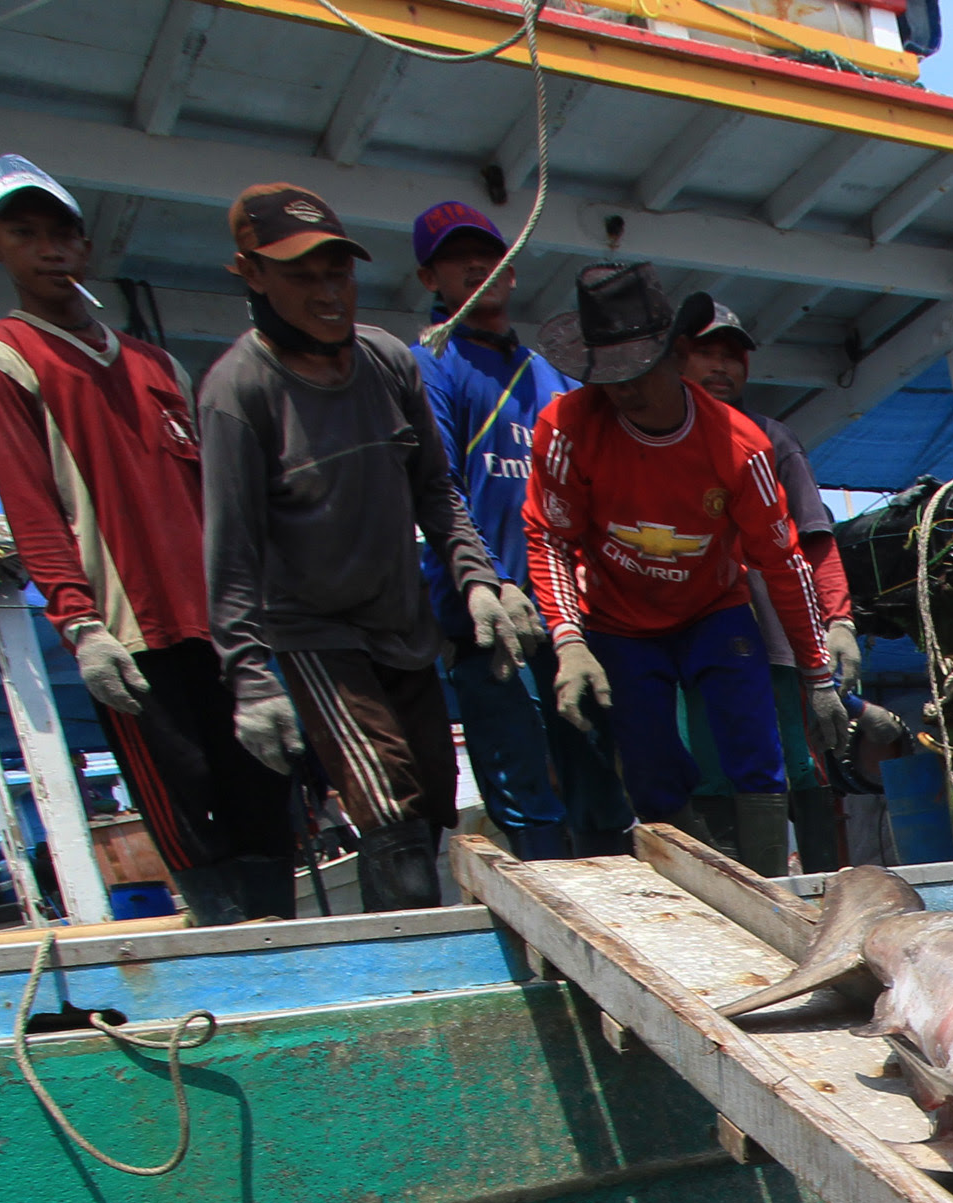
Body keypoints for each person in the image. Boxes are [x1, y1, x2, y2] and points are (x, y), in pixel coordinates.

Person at [0, 153, 295, 924]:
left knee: (268, 800)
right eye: (23, 232)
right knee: (188, 813)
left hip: (223, 630)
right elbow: (30, 505)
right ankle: (227, 966)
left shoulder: (155, 364)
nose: (48, 249)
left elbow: (217, 499)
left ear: (85, 246)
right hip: (129, 634)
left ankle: (295, 948)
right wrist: (78, 623)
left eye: (61, 233)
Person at [199, 181, 527, 910]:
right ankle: (416, 987)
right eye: (300, 275)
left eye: (336, 273)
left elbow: (437, 494)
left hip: (403, 625)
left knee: (436, 802)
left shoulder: (387, 362)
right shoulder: (238, 390)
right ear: (252, 274)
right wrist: (250, 677)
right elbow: (230, 553)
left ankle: (413, 935)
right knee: (389, 806)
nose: (327, 294)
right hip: (318, 634)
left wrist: (478, 581)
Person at [522, 263, 844, 875]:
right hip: (617, 623)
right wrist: (569, 641)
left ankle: (771, 881)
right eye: (610, 377)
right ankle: (692, 879)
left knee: (755, 747)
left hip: (713, 610)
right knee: (649, 767)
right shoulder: (565, 428)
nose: (626, 391)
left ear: (676, 356)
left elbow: (782, 563)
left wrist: (818, 674)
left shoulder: (741, 448)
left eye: (639, 373)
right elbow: (549, 538)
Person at [408, 200, 634, 862]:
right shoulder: (432, 363)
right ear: (429, 278)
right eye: (458, 256)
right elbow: (438, 489)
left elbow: (593, 493)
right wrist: (492, 583)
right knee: (526, 795)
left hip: (569, 626)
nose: (482, 265)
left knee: (602, 793)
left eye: (491, 251)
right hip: (491, 627)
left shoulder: (552, 375)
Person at [670, 293, 860, 874]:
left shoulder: (773, 439)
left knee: (803, 763)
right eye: (707, 353)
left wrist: (840, 621)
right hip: (690, 641)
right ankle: (727, 901)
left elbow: (815, 538)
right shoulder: (658, 442)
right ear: (679, 358)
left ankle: (823, 895)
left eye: (733, 355)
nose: (722, 366)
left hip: (779, 642)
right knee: (704, 765)